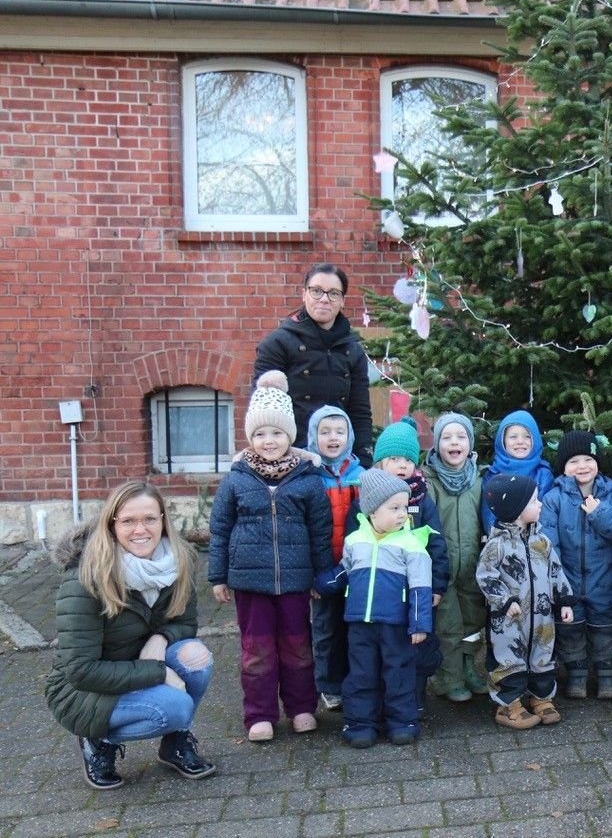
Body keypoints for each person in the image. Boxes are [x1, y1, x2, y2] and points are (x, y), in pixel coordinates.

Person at [46, 481, 216, 790]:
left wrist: (161, 638)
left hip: (136, 665)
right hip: (83, 691)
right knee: (175, 707)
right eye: (128, 521)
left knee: (196, 657)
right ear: (112, 525)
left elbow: (186, 623)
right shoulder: (85, 578)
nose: (141, 530)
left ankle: (175, 743)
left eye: (150, 518)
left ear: (163, 520)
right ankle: (97, 739)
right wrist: (160, 672)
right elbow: (81, 671)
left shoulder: (178, 561)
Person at [208, 372, 332, 742]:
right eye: (260, 433)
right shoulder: (236, 479)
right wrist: (218, 576)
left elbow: (320, 531)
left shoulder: (308, 479)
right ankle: (260, 714)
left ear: (289, 435)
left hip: (295, 580)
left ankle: (301, 708)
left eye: (277, 433)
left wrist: (321, 575)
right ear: (250, 437)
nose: (269, 441)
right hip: (250, 582)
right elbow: (220, 528)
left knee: (298, 647)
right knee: (257, 650)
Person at [314, 470, 433, 748]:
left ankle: (402, 722)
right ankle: (360, 723)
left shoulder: (411, 544)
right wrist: (323, 584)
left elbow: (421, 587)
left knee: (399, 672)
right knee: (361, 673)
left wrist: (419, 624)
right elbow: (345, 571)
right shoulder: (355, 541)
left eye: (404, 507)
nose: (402, 514)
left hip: (396, 625)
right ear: (372, 511)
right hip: (359, 623)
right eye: (394, 508)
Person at [477, 475, 576, 729]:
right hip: (509, 620)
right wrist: (504, 600)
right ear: (517, 510)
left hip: (542, 617)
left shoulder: (541, 541)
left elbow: (555, 571)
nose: (540, 504)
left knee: (543, 656)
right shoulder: (497, 545)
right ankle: (508, 704)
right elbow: (486, 576)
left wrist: (564, 600)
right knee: (508, 659)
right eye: (534, 501)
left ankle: (541, 698)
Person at [540, 430, 612, 700]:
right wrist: (557, 581)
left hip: (603, 579)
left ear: (597, 463)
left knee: (604, 627)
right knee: (571, 629)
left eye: (588, 459)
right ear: (563, 467)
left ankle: (607, 674)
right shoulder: (554, 498)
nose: (582, 466)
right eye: (574, 461)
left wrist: (598, 512)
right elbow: (549, 542)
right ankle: (577, 674)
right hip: (568, 579)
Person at [254, 263, 374, 465]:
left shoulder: (353, 350)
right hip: (290, 459)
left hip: (339, 461)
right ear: (304, 294)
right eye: (317, 291)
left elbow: (359, 411)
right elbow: (264, 411)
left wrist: (362, 461)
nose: (325, 299)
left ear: (342, 301)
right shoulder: (277, 344)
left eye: (333, 293)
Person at [368, 416, 449, 711]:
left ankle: (415, 698)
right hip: (382, 588)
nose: (402, 465)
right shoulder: (369, 498)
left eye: (408, 460)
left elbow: (437, 543)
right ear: (380, 463)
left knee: (419, 643)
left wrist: (437, 584)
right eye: (394, 459)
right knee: (384, 645)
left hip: (417, 588)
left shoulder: (422, 499)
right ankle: (384, 701)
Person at [422, 412, 489, 702]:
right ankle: (448, 678)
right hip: (443, 566)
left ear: (470, 443)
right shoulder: (429, 480)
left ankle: (468, 668)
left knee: (473, 621)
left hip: (472, 564)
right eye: (447, 437)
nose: (454, 442)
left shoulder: (479, 479)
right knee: (447, 624)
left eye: (461, 436)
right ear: (437, 444)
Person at [304, 404, 364, 712]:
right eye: (325, 432)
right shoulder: (308, 476)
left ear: (349, 436)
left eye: (340, 432)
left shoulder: (361, 475)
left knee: (353, 627)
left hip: (355, 566)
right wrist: (312, 572)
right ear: (313, 436)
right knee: (325, 629)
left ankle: (355, 681)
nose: (333, 438)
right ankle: (328, 685)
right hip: (323, 567)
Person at [481, 410, 555, 532]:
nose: (520, 441)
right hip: (502, 539)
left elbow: (546, 516)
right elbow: (489, 515)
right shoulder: (493, 475)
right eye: (513, 437)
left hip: (535, 538)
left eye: (527, 436)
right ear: (502, 441)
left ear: (535, 440)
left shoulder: (543, 474)